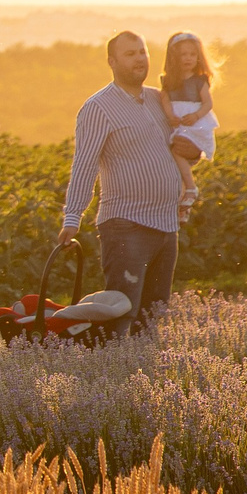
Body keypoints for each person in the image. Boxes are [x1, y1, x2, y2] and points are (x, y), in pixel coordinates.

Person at [57, 31, 185, 328]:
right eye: (130, 54)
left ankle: (142, 375)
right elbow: (84, 165)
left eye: (142, 52)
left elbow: (177, 149)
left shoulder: (158, 99)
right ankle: (109, 373)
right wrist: (72, 217)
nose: (139, 58)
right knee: (121, 317)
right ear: (112, 62)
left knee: (153, 318)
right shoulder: (98, 107)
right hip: (126, 226)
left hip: (166, 226)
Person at [154, 31, 217, 222]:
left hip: (194, 125)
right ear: (174, 57)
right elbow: (165, 100)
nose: (188, 58)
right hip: (178, 124)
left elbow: (208, 103)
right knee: (175, 164)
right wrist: (170, 115)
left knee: (178, 151)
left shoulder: (200, 80)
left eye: (192, 54)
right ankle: (183, 206)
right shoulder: (168, 81)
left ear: (198, 57)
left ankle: (190, 187)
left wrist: (196, 115)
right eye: (183, 54)